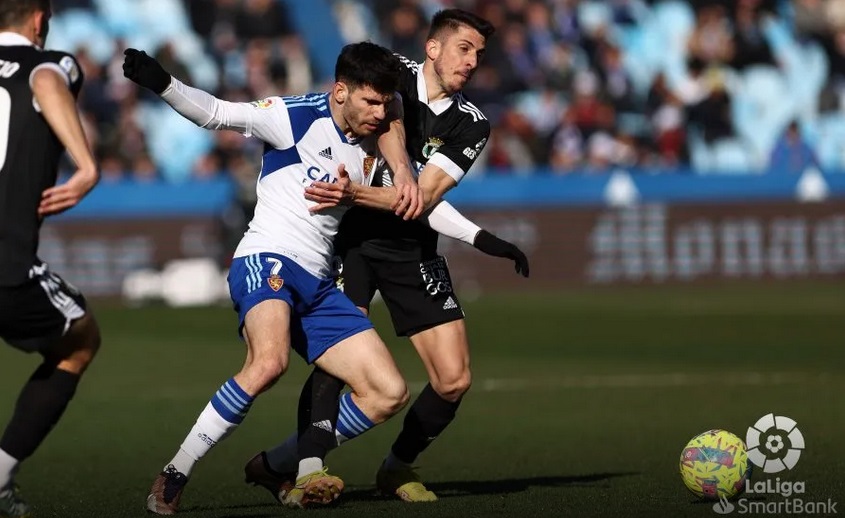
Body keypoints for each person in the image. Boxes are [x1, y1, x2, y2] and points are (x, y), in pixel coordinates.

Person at [122, 40, 476, 514]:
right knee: (268, 363)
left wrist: (418, 185)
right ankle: (176, 472)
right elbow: (217, 113)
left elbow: (404, 158)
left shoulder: (379, 129)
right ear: (340, 92)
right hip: (267, 258)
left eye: (383, 104)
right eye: (370, 102)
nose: (379, 113)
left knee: (388, 393)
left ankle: (278, 465)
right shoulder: (292, 115)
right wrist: (163, 83)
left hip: (320, 282)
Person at [246, 8, 529, 504]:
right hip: (351, 240)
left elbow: (421, 198)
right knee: (339, 354)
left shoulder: (471, 124)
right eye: (463, 49)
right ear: (433, 47)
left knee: (453, 380)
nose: (472, 62)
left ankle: (392, 467)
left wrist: (355, 192)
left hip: (411, 247)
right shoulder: (388, 74)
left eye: (479, 54)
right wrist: (361, 192)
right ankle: (309, 467)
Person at [0, 1, 102, 517]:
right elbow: (44, 82)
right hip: (5, 264)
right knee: (80, 340)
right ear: (39, 20)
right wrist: (86, 167)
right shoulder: (48, 62)